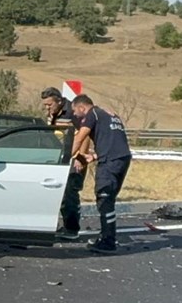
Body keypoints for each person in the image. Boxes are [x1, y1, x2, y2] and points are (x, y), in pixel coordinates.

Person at [70, 94, 132, 253]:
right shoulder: (110, 115)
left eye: (75, 111)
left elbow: (79, 138)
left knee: (104, 198)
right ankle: (106, 234)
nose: (75, 115)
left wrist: (64, 156)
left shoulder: (92, 114)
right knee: (108, 199)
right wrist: (95, 156)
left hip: (110, 162)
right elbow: (113, 140)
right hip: (122, 159)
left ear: (82, 107)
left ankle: (108, 241)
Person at [41, 87, 84, 238]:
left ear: (59, 101)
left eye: (50, 104)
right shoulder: (52, 114)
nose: (47, 107)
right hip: (57, 156)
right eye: (45, 105)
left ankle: (72, 229)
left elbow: (85, 134)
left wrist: (80, 157)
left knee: (69, 193)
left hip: (73, 157)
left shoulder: (73, 112)